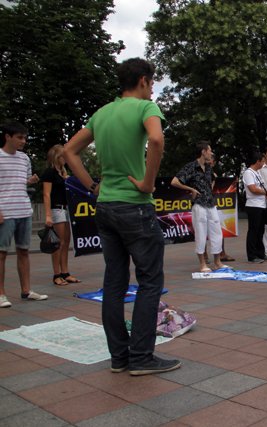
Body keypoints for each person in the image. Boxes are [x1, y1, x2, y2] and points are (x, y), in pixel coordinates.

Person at [64, 58, 180, 375]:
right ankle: (142, 357)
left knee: (114, 284)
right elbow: (156, 139)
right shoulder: (146, 109)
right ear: (143, 80)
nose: (153, 88)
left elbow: (68, 151)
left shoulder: (102, 113)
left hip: (106, 207)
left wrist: (91, 186)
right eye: (153, 82)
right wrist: (147, 183)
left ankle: (120, 357)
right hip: (135, 205)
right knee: (149, 281)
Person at [0, 122, 48, 308]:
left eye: (25, 137)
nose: (23, 141)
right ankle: (1, 294)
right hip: (5, 211)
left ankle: (26, 290)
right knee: (2, 253)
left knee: (24, 251)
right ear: (8, 137)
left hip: (24, 210)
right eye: (20, 137)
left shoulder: (24, 158)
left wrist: (31, 180)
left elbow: (22, 182)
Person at [171, 141, 225, 272]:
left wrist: (209, 189)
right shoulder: (191, 167)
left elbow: (212, 179)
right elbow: (174, 181)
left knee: (217, 233)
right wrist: (191, 189)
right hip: (199, 205)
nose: (211, 153)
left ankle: (218, 262)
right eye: (209, 150)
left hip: (211, 204)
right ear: (203, 151)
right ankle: (203, 265)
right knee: (201, 234)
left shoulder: (208, 167)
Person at [41, 144, 81, 286]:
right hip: (56, 210)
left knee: (65, 243)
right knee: (58, 243)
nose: (65, 158)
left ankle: (65, 272)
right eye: (63, 156)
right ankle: (57, 274)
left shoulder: (63, 174)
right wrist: (48, 215)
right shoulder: (49, 173)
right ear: (57, 157)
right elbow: (46, 194)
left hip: (66, 209)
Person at [243, 151, 267, 263]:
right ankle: (252, 255)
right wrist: (265, 193)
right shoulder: (248, 173)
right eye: (262, 161)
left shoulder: (257, 173)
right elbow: (253, 189)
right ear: (257, 161)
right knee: (253, 231)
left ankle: (261, 253)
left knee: (260, 231)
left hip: (261, 205)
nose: (263, 163)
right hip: (253, 206)